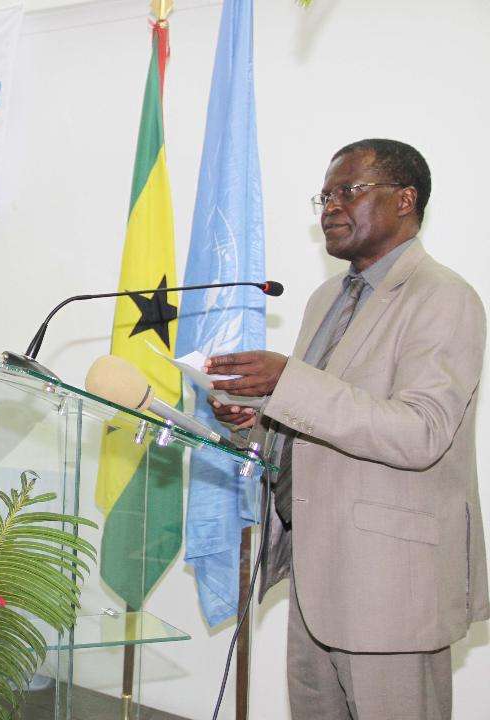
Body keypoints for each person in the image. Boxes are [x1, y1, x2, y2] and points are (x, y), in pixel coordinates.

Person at [205, 139, 487, 720]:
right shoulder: (325, 299)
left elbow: (421, 432)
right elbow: (317, 423)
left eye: (349, 191)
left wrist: (287, 382)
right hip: (316, 576)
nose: (331, 207)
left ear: (405, 199)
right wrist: (253, 421)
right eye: (325, 196)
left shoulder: (444, 297)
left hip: (392, 589)